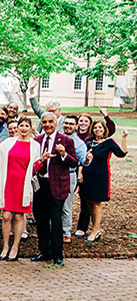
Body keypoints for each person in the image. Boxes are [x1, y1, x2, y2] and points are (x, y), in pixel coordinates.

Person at [0, 116, 40, 262]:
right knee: (6, 216)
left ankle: (15, 247)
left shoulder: (35, 146)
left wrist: (41, 161)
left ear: (30, 128)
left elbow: (35, 166)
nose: (23, 128)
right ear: (17, 127)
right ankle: (5, 246)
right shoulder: (9, 143)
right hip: (8, 182)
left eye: (26, 126)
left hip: (23, 184)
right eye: (21, 125)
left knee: (18, 216)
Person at [31, 113, 78, 267]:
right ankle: (44, 251)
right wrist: (42, 159)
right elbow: (32, 163)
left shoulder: (66, 140)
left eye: (50, 122)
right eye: (44, 122)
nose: (47, 125)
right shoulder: (37, 141)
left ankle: (57, 255)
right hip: (41, 185)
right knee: (41, 219)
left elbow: (74, 163)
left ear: (56, 122)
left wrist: (64, 153)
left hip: (57, 185)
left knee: (56, 220)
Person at [78, 121, 128, 243]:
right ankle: (96, 228)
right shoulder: (88, 141)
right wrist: (80, 173)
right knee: (89, 202)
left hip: (100, 177)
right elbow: (81, 158)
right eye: (95, 127)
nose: (97, 129)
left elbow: (121, 154)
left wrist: (124, 138)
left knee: (96, 203)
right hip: (87, 176)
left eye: (100, 127)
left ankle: (95, 230)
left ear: (104, 129)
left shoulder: (108, 143)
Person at [60, 115, 87, 243]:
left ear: (76, 126)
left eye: (71, 124)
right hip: (55, 174)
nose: (68, 126)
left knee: (66, 205)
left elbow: (83, 161)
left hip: (69, 175)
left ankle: (66, 232)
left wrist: (87, 159)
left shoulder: (79, 144)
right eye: (66, 123)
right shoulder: (58, 138)